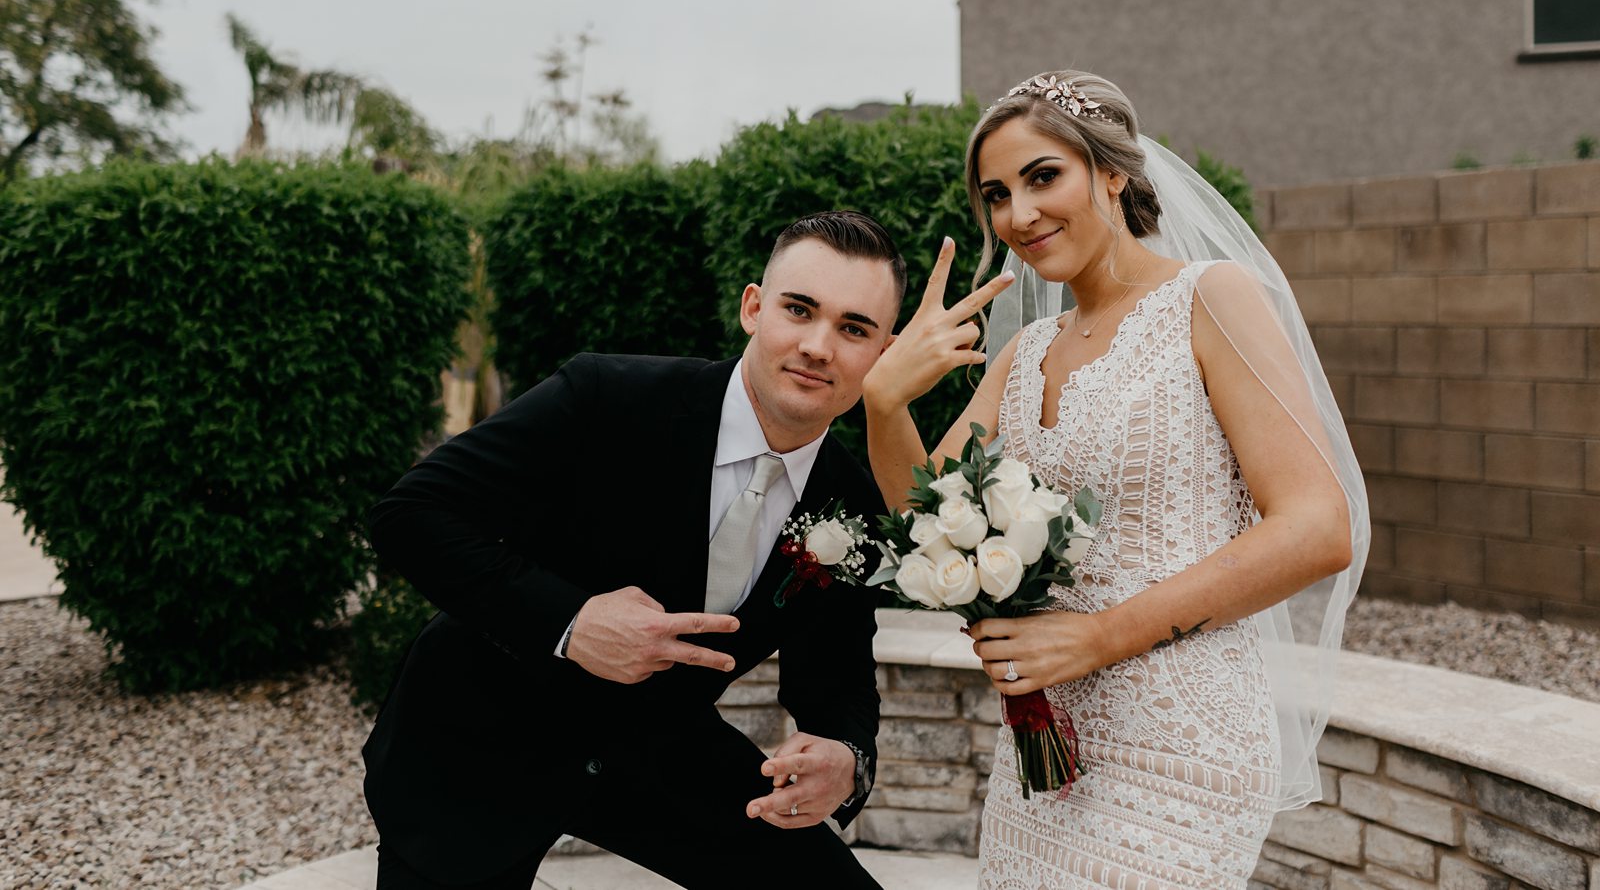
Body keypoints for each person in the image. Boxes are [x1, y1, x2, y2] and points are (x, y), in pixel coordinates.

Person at [862, 71, 1369, 888]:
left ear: (1112, 172)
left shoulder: (1211, 299)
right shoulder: (1024, 354)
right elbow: (926, 527)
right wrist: (884, 402)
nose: (1018, 214)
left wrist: (1097, 637)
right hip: (1045, 753)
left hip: (1181, 741)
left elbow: (1318, 527)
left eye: (1041, 176)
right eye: (996, 193)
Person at [362, 211, 905, 890]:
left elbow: (836, 678)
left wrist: (844, 753)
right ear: (753, 308)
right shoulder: (606, 397)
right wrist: (570, 621)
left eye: (854, 328)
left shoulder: (854, 506)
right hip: (478, 733)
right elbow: (409, 514)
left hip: (658, 742)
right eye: (800, 309)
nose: (819, 345)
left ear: (882, 352)